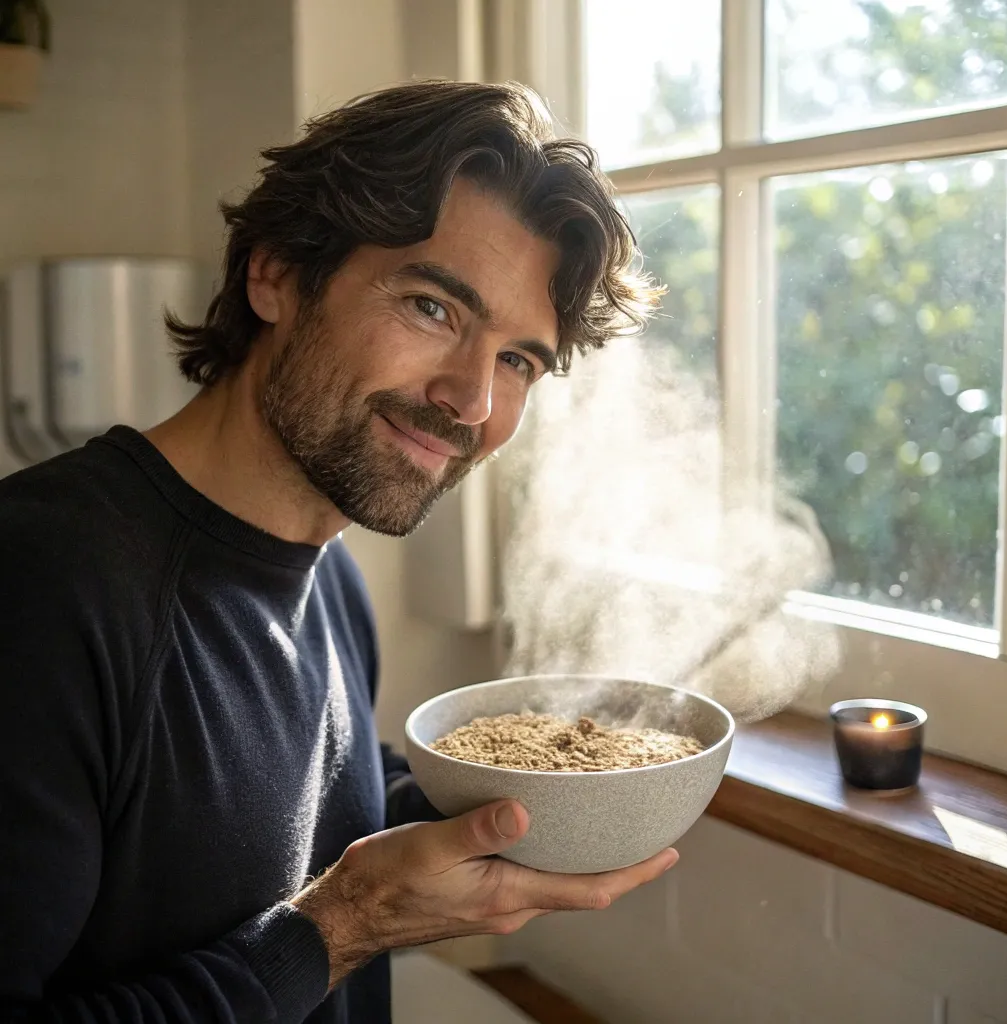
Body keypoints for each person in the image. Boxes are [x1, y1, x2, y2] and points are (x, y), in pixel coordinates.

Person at [0, 81, 671, 1023]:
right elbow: (327, 904)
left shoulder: (329, 577)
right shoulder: (39, 582)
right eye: (434, 308)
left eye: (517, 359)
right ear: (274, 272)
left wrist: (520, 802)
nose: (472, 398)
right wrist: (350, 923)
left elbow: (300, 816)